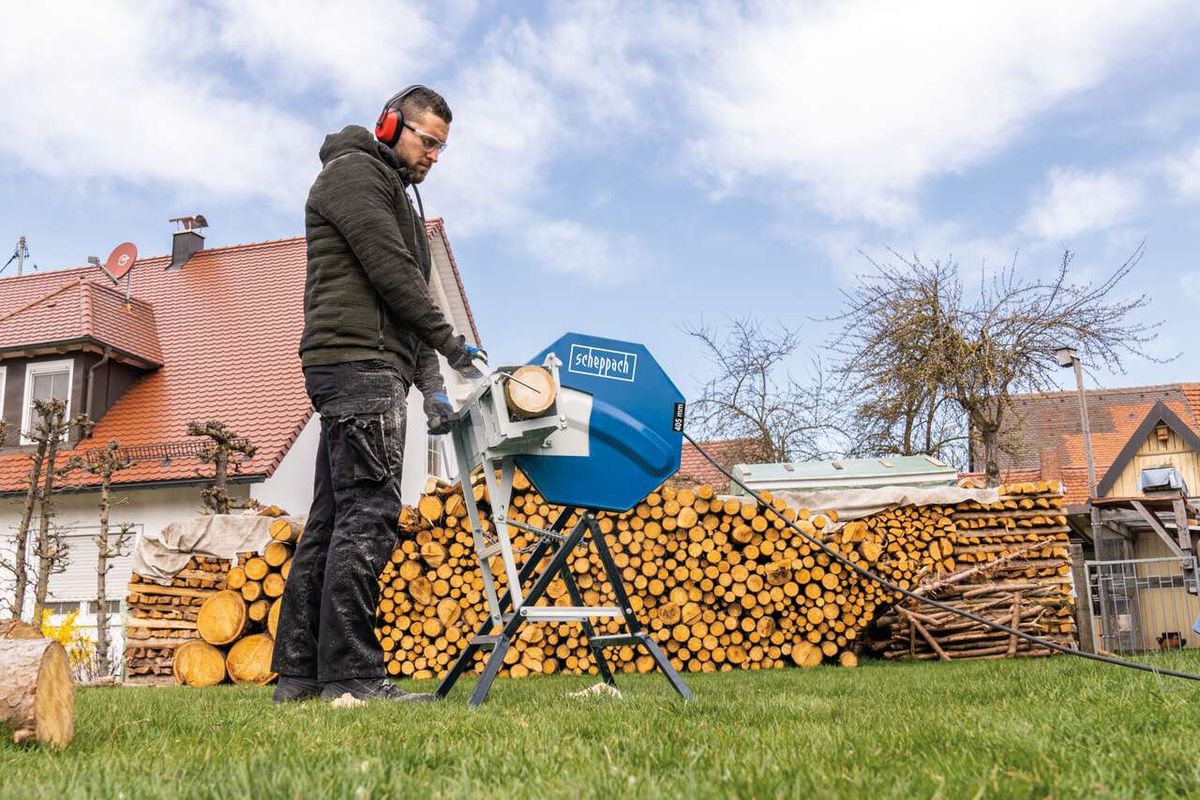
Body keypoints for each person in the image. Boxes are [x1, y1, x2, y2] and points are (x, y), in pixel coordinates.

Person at [271, 85, 484, 703]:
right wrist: (451, 341)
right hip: (356, 362)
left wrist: (434, 388)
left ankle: (301, 678)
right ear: (390, 124)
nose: (435, 156)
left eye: (443, 147)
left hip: (368, 364)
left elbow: (405, 293)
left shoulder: (398, 201)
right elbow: (392, 274)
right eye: (428, 140)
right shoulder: (354, 176)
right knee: (369, 514)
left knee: (333, 519)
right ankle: (355, 677)